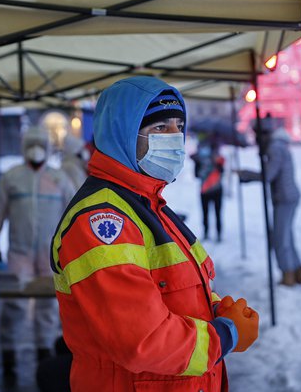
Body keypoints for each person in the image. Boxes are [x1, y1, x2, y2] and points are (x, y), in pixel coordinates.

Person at [50, 76, 259, 392]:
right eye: (160, 128)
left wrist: (215, 309)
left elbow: (170, 293)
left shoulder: (149, 206)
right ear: (121, 134)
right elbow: (142, 341)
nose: (175, 137)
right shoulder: (103, 221)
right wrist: (225, 334)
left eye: (178, 126)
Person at [0, 125, 76, 387]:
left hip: (49, 254)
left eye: (40, 143)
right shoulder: (11, 177)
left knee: (49, 307)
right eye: (31, 144)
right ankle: (8, 354)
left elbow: (73, 214)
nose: (36, 149)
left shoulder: (60, 179)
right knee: (14, 306)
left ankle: (44, 351)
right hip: (19, 253)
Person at [236, 120, 301, 286]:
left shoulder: (275, 148)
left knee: (280, 239)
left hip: (284, 198)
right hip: (287, 197)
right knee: (287, 237)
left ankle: (287, 275)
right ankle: (297, 272)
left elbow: (268, 175)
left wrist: (245, 174)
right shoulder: (278, 146)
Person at [191, 139, 225, 242]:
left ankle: (218, 234)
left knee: (217, 213)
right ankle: (207, 233)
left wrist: (217, 165)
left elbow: (222, 171)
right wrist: (197, 163)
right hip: (206, 190)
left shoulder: (218, 159)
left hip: (215, 190)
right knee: (206, 213)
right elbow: (196, 175)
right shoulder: (199, 160)